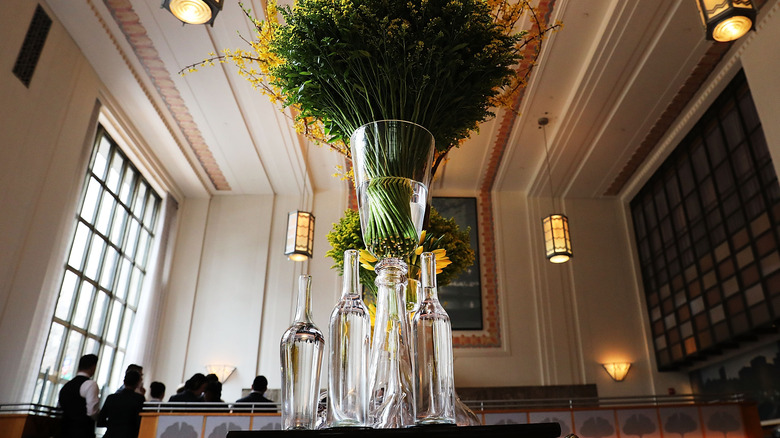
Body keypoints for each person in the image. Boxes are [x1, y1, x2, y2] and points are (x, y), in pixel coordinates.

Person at [59, 354, 99, 438]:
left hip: (64, 431)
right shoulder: (90, 384)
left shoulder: (66, 386)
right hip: (82, 432)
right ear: (93, 367)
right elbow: (92, 411)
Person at [97, 370, 145, 438]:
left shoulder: (111, 398)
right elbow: (140, 422)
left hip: (110, 434)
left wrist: (113, 424)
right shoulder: (139, 399)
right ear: (137, 383)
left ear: (124, 381)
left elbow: (100, 421)